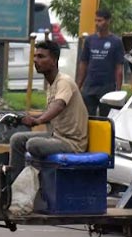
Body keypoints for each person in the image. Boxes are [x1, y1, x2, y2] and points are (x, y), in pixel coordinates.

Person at [9, 40, 89, 183]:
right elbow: (50, 112)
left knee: (33, 144)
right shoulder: (51, 84)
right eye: (35, 56)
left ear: (54, 60)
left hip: (71, 143)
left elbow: (58, 106)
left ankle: (36, 185)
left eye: (41, 57)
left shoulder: (63, 81)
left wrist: (38, 120)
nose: (36, 60)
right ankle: (13, 187)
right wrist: (24, 118)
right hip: (56, 136)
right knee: (17, 139)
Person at [76, 9, 124, 116]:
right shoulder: (90, 40)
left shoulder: (116, 42)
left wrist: (118, 91)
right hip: (90, 86)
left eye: (100, 21)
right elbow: (83, 63)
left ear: (108, 21)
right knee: (88, 118)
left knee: (105, 119)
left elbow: (119, 67)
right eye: (96, 21)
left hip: (107, 87)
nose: (97, 24)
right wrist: (78, 86)